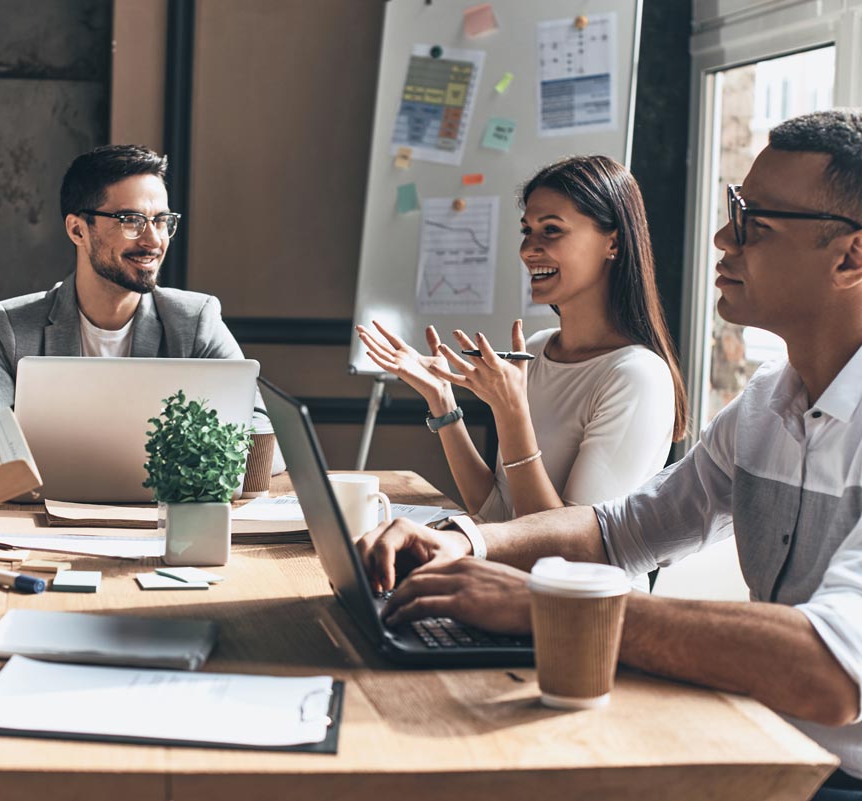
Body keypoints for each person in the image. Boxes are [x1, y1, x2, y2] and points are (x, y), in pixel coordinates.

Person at [357, 110, 862, 798]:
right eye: (731, 213)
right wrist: (464, 539)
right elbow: (618, 529)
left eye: (754, 223)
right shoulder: (767, 401)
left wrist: (546, 604)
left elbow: (828, 672)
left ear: (850, 257)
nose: (721, 238)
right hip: (757, 737)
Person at [358, 155, 686, 523]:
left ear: (613, 242)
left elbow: (567, 547)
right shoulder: (533, 351)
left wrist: (512, 412)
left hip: (570, 581)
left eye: (551, 230)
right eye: (527, 230)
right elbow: (499, 512)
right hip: (508, 575)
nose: (528, 249)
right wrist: (441, 399)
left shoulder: (637, 377)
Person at [0, 144, 283, 471]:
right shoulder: (14, 326)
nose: (154, 240)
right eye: (132, 220)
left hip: (161, 522)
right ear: (78, 230)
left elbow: (263, 437)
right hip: (43, 519)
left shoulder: (195, 322)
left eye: (162, 220)